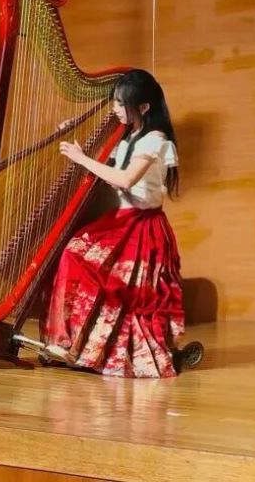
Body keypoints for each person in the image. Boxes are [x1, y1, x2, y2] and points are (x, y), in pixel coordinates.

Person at [40, 69, 184, 378]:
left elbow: (125, 179)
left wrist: (81, 158)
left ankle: (99, 349)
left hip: (142, 227)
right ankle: (77, 345)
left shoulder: (155, 140)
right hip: (121, 221)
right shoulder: (130, 136)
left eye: (121, 103)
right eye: (115, 102)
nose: (115, 109)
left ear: (143, 107)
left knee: (117, 287)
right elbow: (110, 165)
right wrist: (78, 136)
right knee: (73, 253)